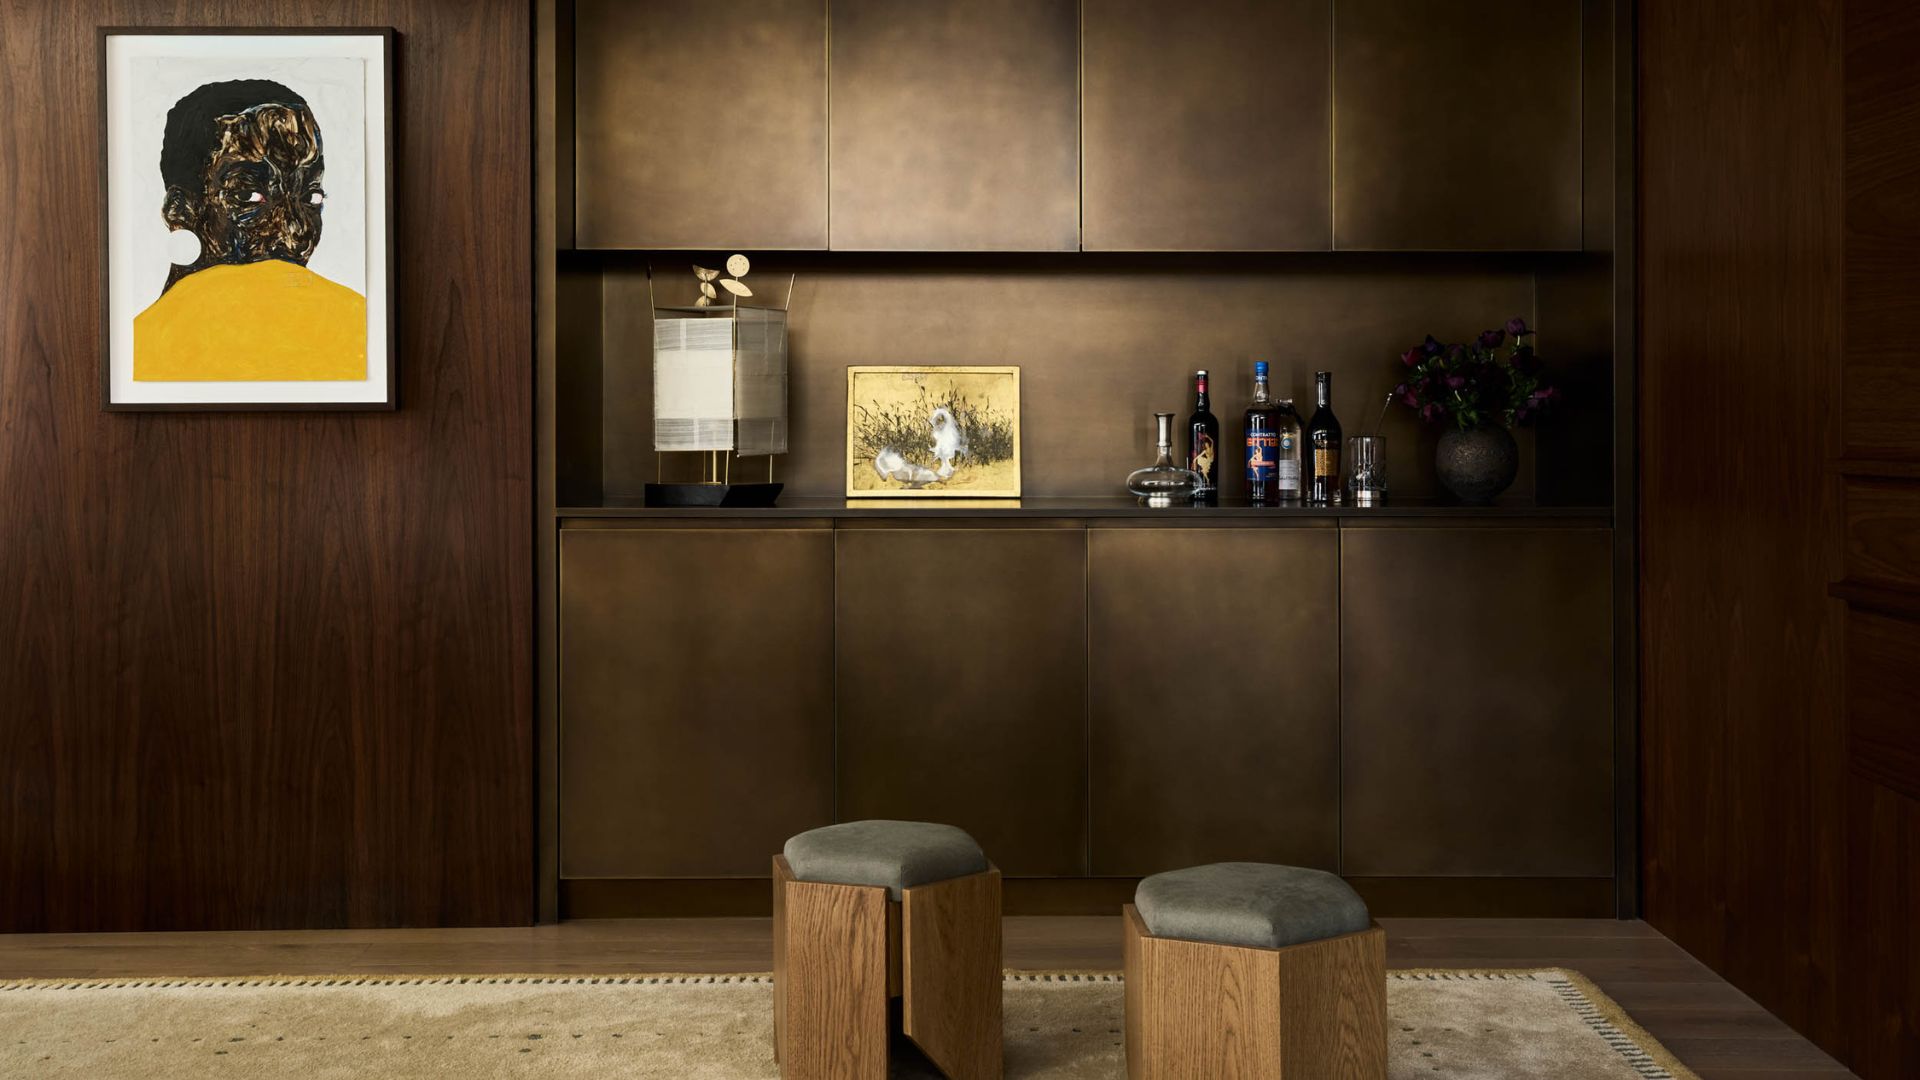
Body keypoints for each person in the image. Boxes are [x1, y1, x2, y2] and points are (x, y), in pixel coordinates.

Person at [133, 79, 366, 381]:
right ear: (181, 211)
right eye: (247, 196)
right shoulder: (138, 356)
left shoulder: (356, 334)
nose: (295, 233)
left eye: (311, 198)